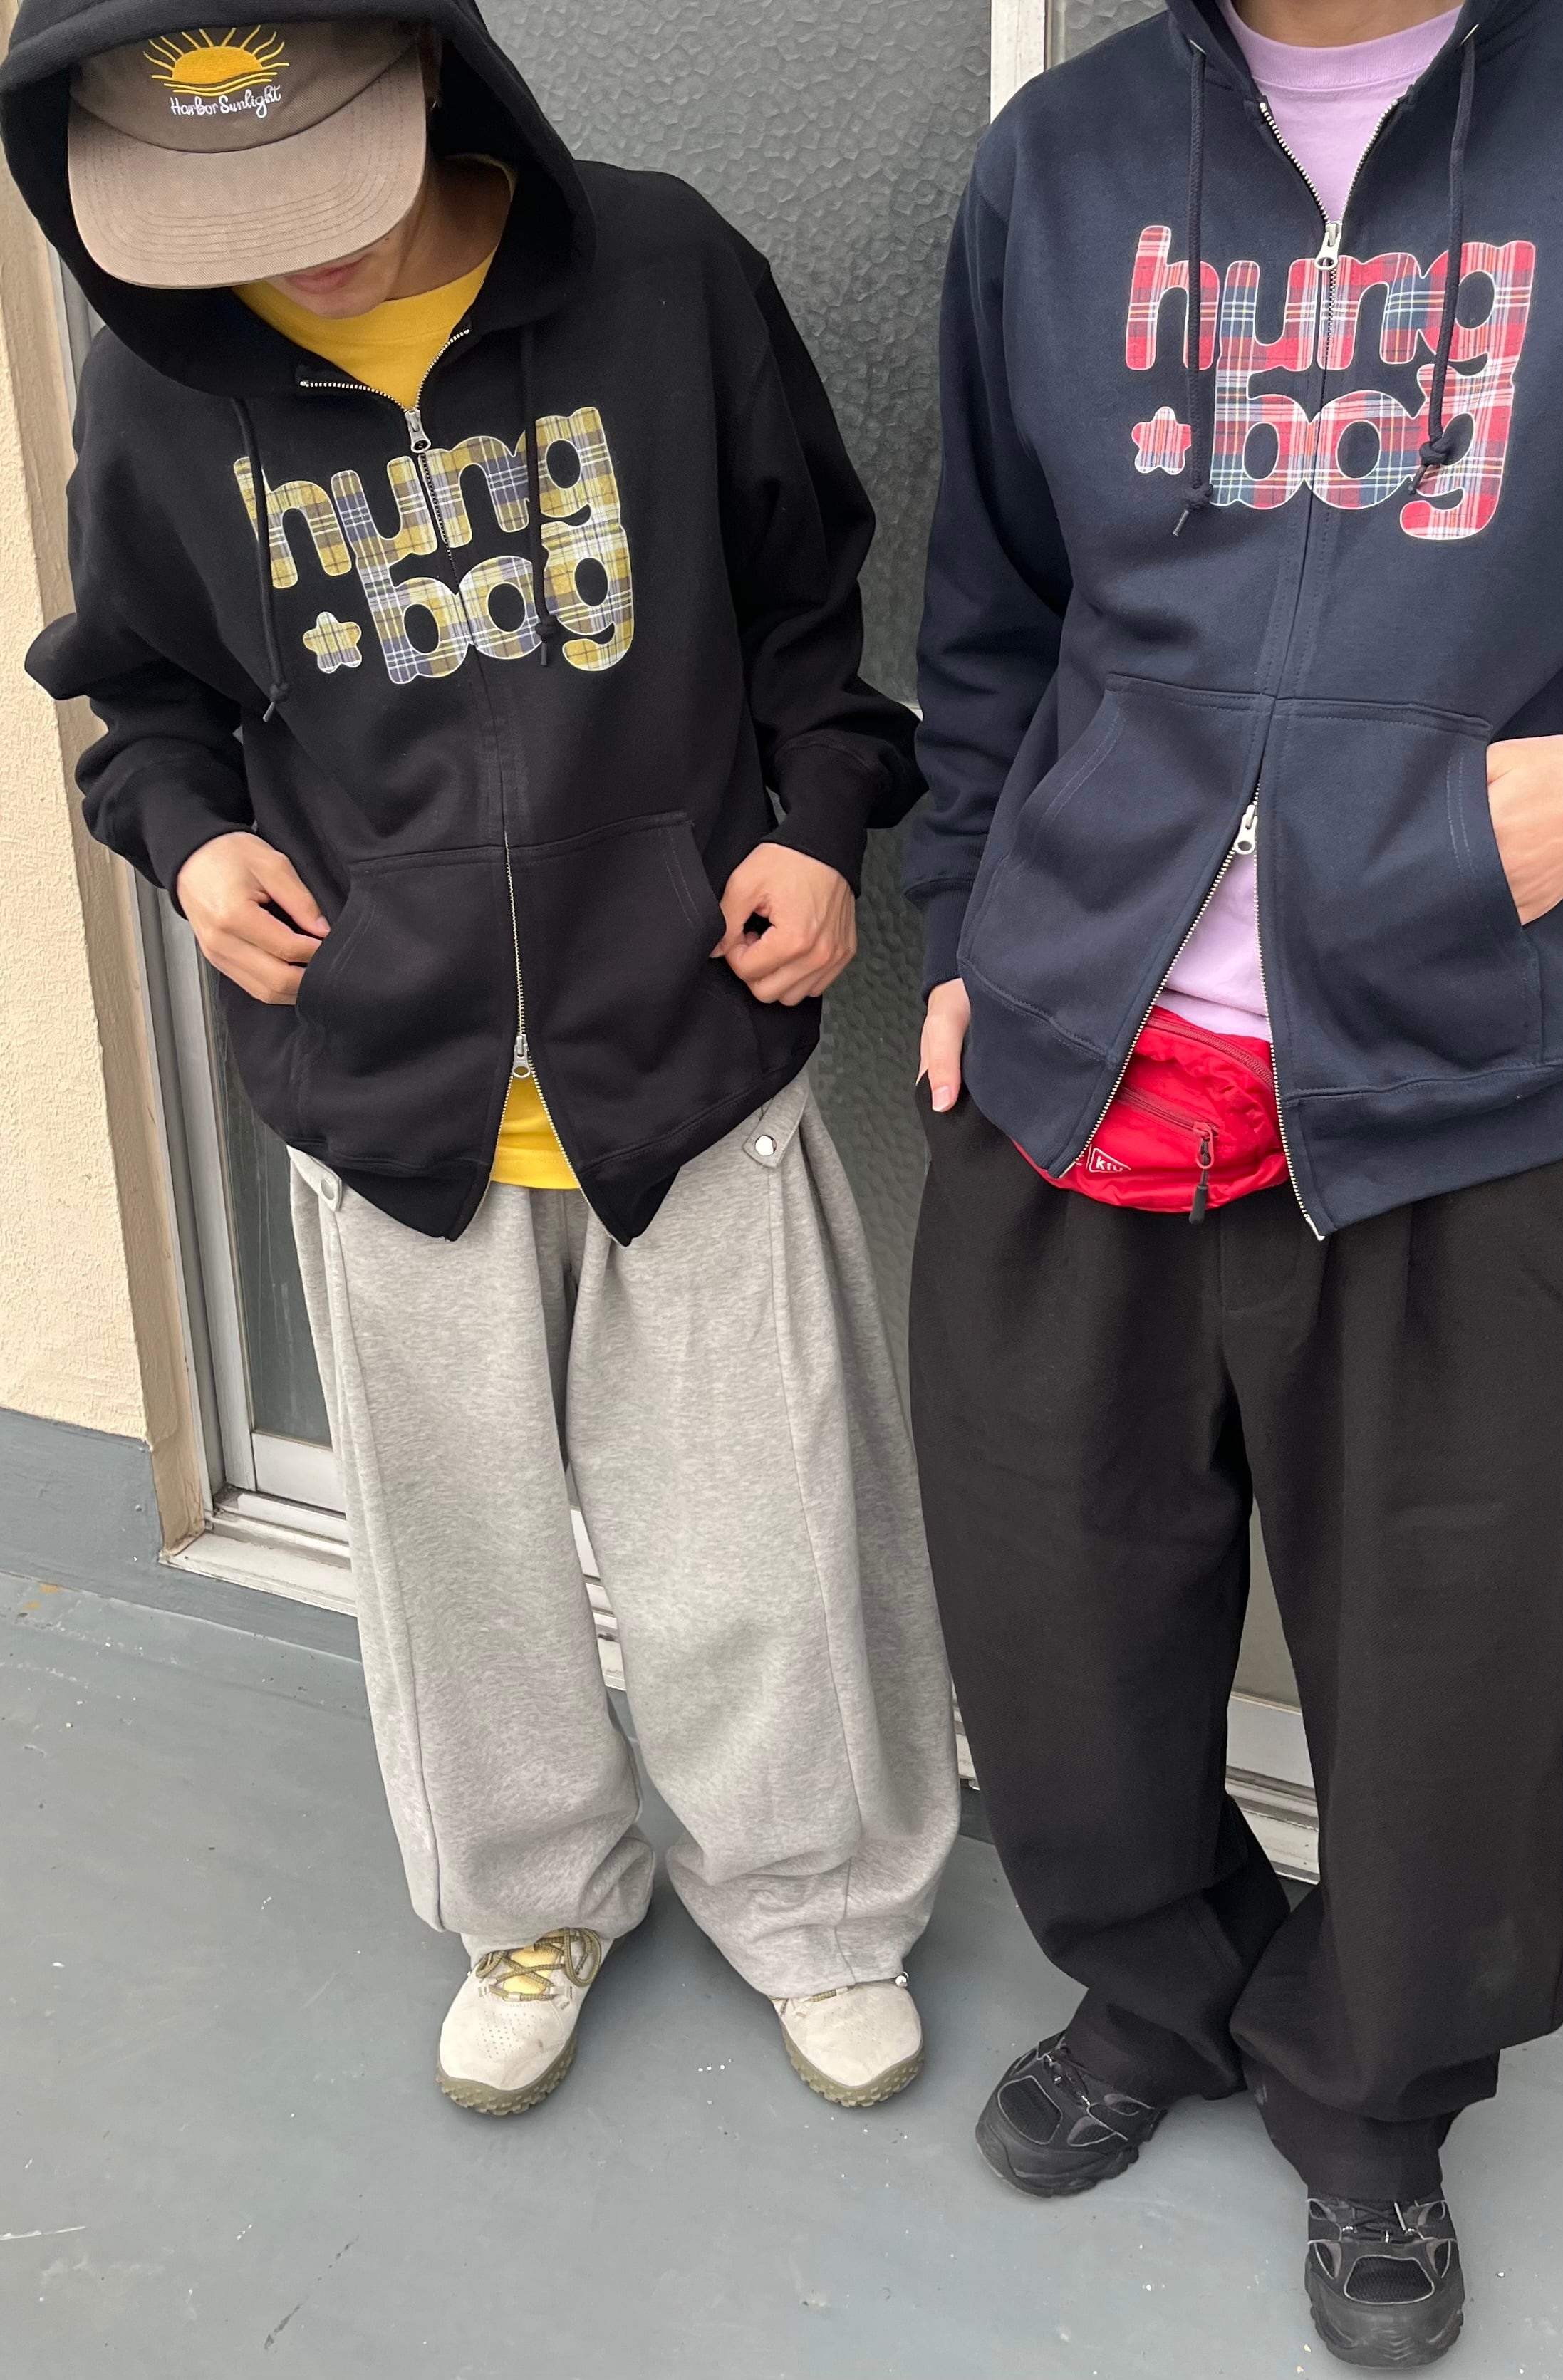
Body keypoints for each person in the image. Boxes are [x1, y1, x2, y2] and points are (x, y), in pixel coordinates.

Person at [905, 0, 1563, 2363]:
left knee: (1448, 1662)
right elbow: (988, 608)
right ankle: (1158, 1987)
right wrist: (963, 925)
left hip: (1444, 1076)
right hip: (1074, 1048)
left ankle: (1375, 2100)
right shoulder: (1065, 152)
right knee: (1055, 1618)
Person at [2, 2, 960, 2123]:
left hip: (687, 1051)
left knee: (762, 1541)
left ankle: (812, 1901)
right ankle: (530, 1898)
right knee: (463, 1571)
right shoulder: (162, 372)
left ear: (431, 67)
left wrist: (819, 829)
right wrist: (193, 844)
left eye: (318, 184)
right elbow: (142, 694)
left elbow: (808, 615)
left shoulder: (664, 272)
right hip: (386, 1083)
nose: (294, 253)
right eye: (225, 211)